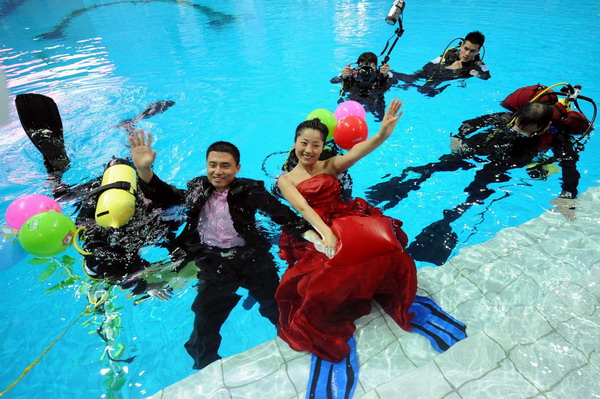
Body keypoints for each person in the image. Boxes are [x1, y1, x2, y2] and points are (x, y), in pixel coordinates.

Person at [128, 131, 316, 370]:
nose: (218, 171)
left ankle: (303, 350)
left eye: (225, 166)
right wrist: (145, 171)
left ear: (237, 168)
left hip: (251, 259)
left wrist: (313, 234)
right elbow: (168, 198)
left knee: (280, 307)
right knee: (204, 321)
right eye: (213, 165)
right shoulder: (197, 188)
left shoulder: (249, 190)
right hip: (213, 262)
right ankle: (206, 369)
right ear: (206, 166)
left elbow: (280, 213)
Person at [275, 99, 418, 362]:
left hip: (345, 215)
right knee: (327, 267)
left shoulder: (329, 166)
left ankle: (375, 289)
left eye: (316, 145)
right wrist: (325, 234)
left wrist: (382, 133)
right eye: (304, 143)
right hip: (317, 226)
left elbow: (359, 152)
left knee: (386, 245)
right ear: (295, 142)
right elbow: (304, 209)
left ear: (322, 147)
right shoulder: (286, 180)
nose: (309, 150)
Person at [366, 98, 589, 265]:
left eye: (523, 129)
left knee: (473, 190)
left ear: (542, 128)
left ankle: (444, 221)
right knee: (452, 175)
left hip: (497, 158)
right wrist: (458, 138)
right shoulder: (507, 119)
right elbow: (469, 124)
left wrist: (567, 195)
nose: (516, 129)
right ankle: (410, 193)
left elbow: (570, 165)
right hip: (492, 153)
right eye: (517, 125)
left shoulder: (550, 137)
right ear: (517, 117)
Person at [15, 93, 181, 298]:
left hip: (111, 192)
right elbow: (102, 266)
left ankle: (57, 174)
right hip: (107, 194)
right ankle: (56, 176)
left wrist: (145, 285)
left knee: (139, 169)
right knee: (62, 195)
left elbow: (104, 267)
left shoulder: (115, 243)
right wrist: (147, 284)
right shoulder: (110, 244)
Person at [394, 31, 490, 97]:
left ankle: (413, 87)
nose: (467, 54)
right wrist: (449, 67)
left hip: (444, 79)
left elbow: (486, 76)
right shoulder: (449, 55)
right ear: (461, 45)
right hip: (437, 72)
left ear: (478, 51)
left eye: (472, 51)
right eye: (466, 48)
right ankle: (389, 74)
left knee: (423, 91)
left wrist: (476, 73)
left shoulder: (477, 64)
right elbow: (427, 67)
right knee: (410, 78)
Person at [330, 52, 395, 121]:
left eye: (370, 66)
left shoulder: (381, 73)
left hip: (374, 96)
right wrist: (344, 76)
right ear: (358, 65)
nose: (366, 70)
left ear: (376, 66)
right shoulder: (352, 72)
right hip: (355, 95)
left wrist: (385, 76)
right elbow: (333, 81)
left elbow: (395, 81)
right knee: (346, 118)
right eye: (362, 66)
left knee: (380, 117)